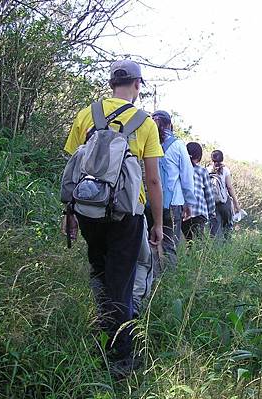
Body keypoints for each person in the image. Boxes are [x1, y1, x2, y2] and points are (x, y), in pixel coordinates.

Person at [62, 59, 163, 377]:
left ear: (111, 83)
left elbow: (73, 170)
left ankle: (103, 331)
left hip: (88, 210)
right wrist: (158, 223)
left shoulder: (86, 115)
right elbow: (153, 181)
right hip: (126, 215)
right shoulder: (145, 123)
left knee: (100, 273)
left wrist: (70, 214)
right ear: (137, 85)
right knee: (122, 282)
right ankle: (120, 360)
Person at [145, 110, 195, 270]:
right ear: (169, 124)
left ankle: (150, 279)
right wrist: (189, 202)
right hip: (172, 203)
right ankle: (168, 282)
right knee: (169, 243)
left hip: (148, 201)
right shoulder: (178, 145)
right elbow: (187, 176)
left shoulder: (146, 140)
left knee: (149, 242)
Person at [182, 142, 216, 241]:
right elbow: (209, 194)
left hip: (183, 212)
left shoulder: (181, 169)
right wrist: (211, 212)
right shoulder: (202, 171)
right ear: (199, 156)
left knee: (188, 240)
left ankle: (187, 255)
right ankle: (196, 256)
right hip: (199, 211)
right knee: (198, 242)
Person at [209, 149, 240, 238]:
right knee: (227, 227)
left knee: (214, 230)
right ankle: (227, 246)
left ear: (212, 159)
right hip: (224, 202)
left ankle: (215, 249)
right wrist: (236, 203)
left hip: (212, 203)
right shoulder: (225, 170)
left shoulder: (207, 170)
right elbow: (229, 187)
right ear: (222, 159)